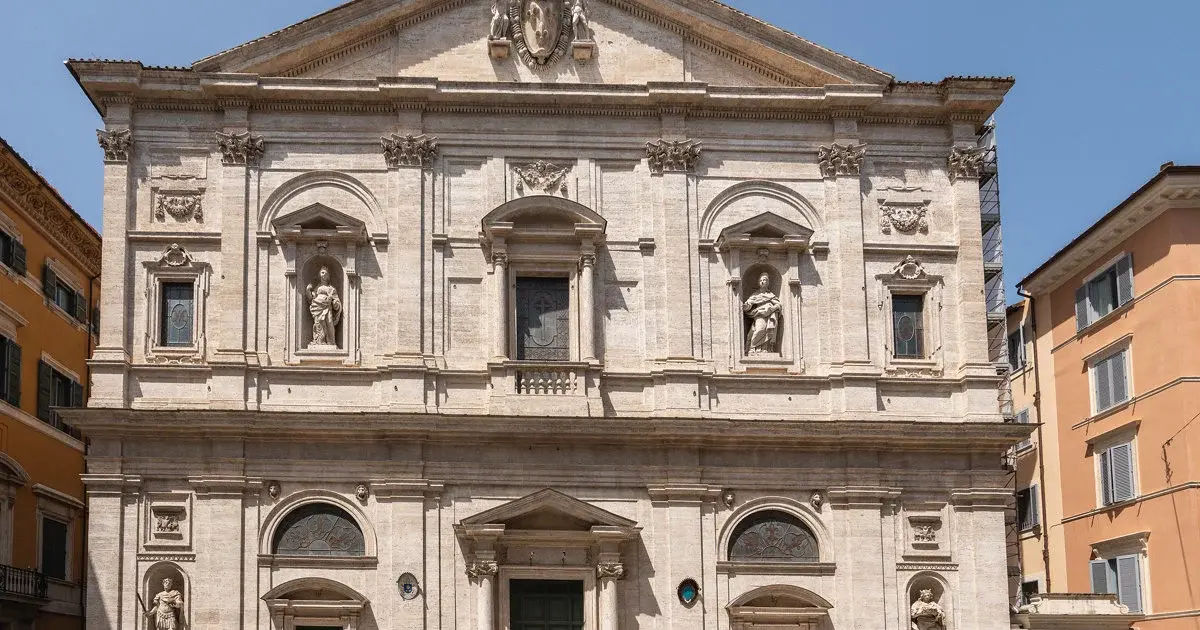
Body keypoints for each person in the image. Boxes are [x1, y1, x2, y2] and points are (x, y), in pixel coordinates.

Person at [742, 272, 782, 354]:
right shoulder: (756, 294)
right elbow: (749, 303)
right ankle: (753, 348)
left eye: (764, 280)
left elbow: (778, 305)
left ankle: (765, 349)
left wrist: (772, 308)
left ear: (768, 282)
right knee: (759, 329)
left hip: (769, 315)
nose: (762, 281)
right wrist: (746, 306)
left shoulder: (771, 295)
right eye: (760, 280)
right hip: (759, 314)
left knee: (768, 330)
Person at [307, 266, 343, 347]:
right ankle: (319, 341)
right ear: (319, 274)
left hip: (327, 308)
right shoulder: (317, 288)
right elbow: (311, 298)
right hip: (317, 306)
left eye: (326, 273)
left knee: (329, 323)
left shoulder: (331, 289)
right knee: (319, 323)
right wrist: (308, 291)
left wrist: (334, 303)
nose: (324, 275)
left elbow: (336, 301)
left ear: (328, 276)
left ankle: (331, 342)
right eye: (322, 272)